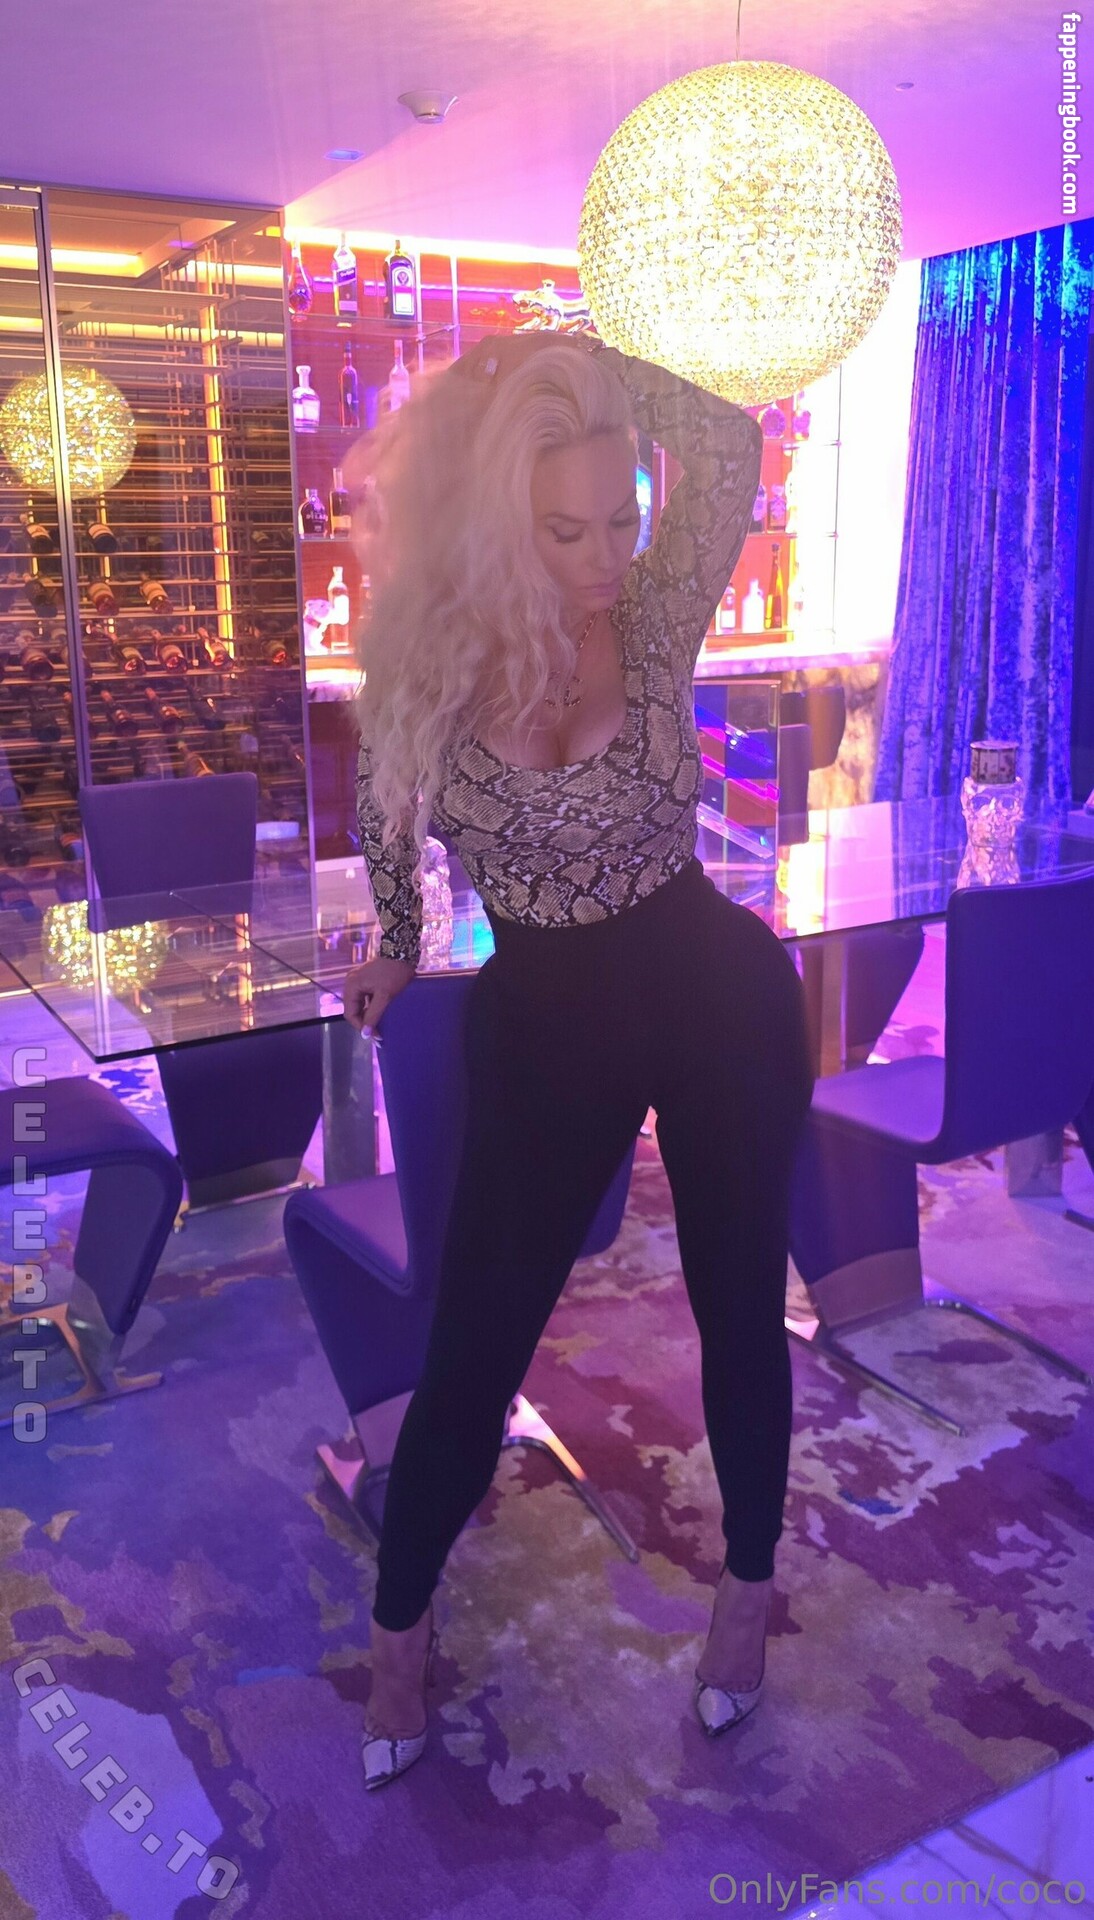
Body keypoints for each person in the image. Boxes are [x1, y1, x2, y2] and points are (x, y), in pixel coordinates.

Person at [343, 330, 814, 1790]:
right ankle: (400, 1630)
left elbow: (726, 438)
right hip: (543, 1014)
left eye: (622, 515)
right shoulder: (425, 662)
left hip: (712, 987)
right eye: (568, 529)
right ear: (495, 522)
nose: (609, 556)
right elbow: (381, 808)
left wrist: (580, 355)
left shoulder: (658, 608)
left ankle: (745, 1596)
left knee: (737, 1305)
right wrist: (397, 934)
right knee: (478, 1337)